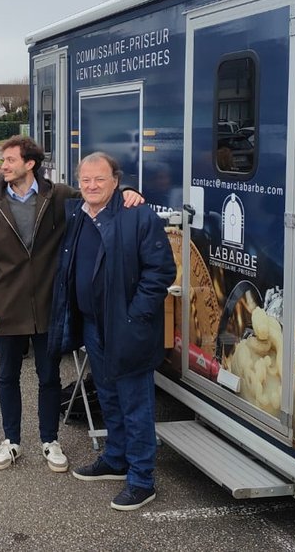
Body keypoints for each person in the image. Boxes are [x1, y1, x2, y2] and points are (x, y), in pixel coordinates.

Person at [0, 137, 148, 470]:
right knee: (6, 376)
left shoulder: (58, 197)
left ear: (30, 164)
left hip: (48, 305)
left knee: (49, 376)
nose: (4, 166)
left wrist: (128, 191)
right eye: (4, 161)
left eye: (11, 160)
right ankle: (11, 441)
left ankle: (49, 440)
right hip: (6, 306)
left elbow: (98, 194)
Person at [49, 152, 175, 511]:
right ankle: (116, 458)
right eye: (85, 179)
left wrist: (136, 316)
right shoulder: (76, 215)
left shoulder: (138, 216)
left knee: (136, 402)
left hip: (128, 327)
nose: (91, 186)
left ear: (116, 182)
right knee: (108, 397)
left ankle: (141, 479)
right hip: (93, 325)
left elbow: (160, 272)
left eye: (100, 180)